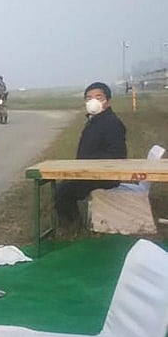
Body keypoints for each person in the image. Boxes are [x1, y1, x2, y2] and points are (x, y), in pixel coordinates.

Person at [54, 82, 127, 228]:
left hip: (104, 175)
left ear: (108, 101)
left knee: (64, 192)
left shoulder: (111, 122)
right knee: (64, 187)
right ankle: (72, 224)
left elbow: (118, 154)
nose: (93, 101)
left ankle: (73, 228)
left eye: (98, 97)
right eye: (89, 98)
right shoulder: (95, 120)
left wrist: (89, 165)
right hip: (90, 171)